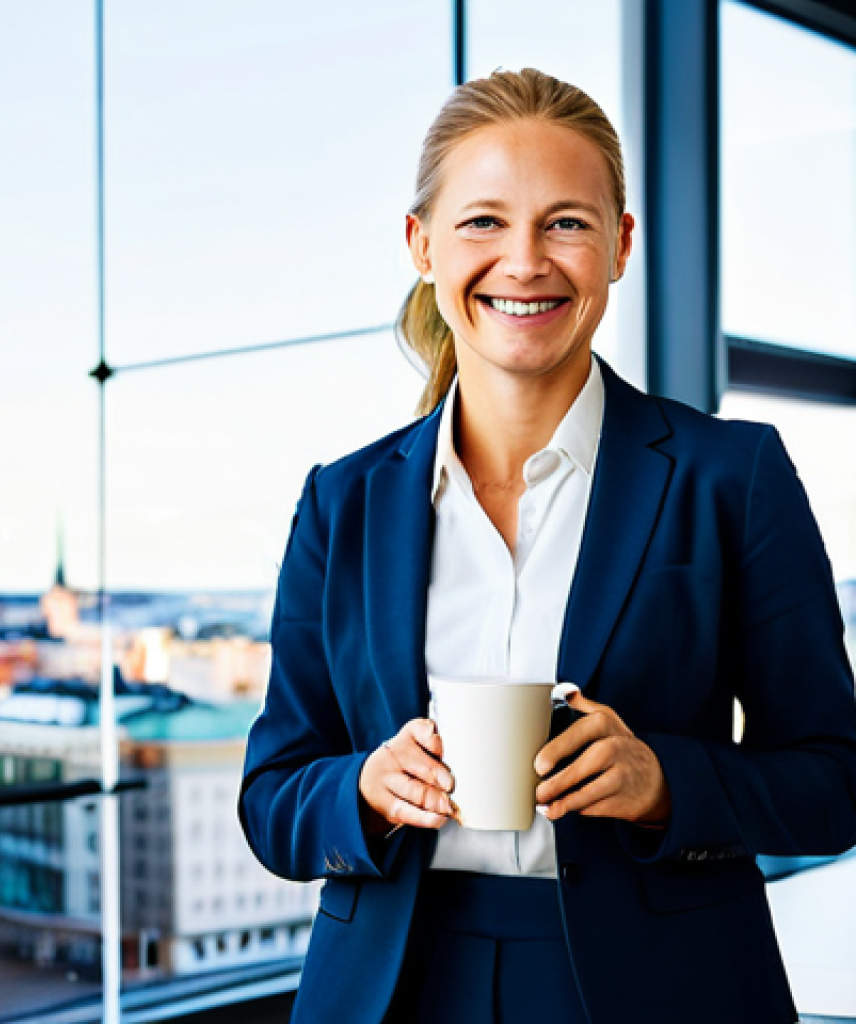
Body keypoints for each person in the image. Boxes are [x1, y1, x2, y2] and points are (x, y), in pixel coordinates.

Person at [237, 68, 856, 1024]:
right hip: (391, 990)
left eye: (565, 222)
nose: (524, 262)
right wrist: (362, 788)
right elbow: (273, 796)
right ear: (422, 246)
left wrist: (665, 782)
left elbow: (834, 779)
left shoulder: (732, 476)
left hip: (663, 988)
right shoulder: (342, 501)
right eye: (483, 222)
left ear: (620, 245)